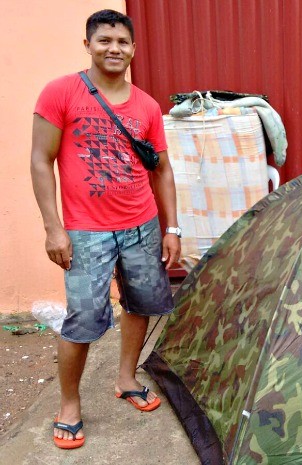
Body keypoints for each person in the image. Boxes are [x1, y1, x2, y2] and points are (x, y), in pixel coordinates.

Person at [30, 9, 181, 449]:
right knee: (82, 320)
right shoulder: (60, 92)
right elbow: (41, 161)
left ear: (133, 49)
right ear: (88, 45)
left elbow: (163, 170)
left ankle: (126, 379)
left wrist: (171, 227)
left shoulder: (147, 106)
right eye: (104, 41)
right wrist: (53, 228)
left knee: (140, 304)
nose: (114, 48)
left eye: (122, 42)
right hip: (85, 231)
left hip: (142, 225)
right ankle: (70, 405)